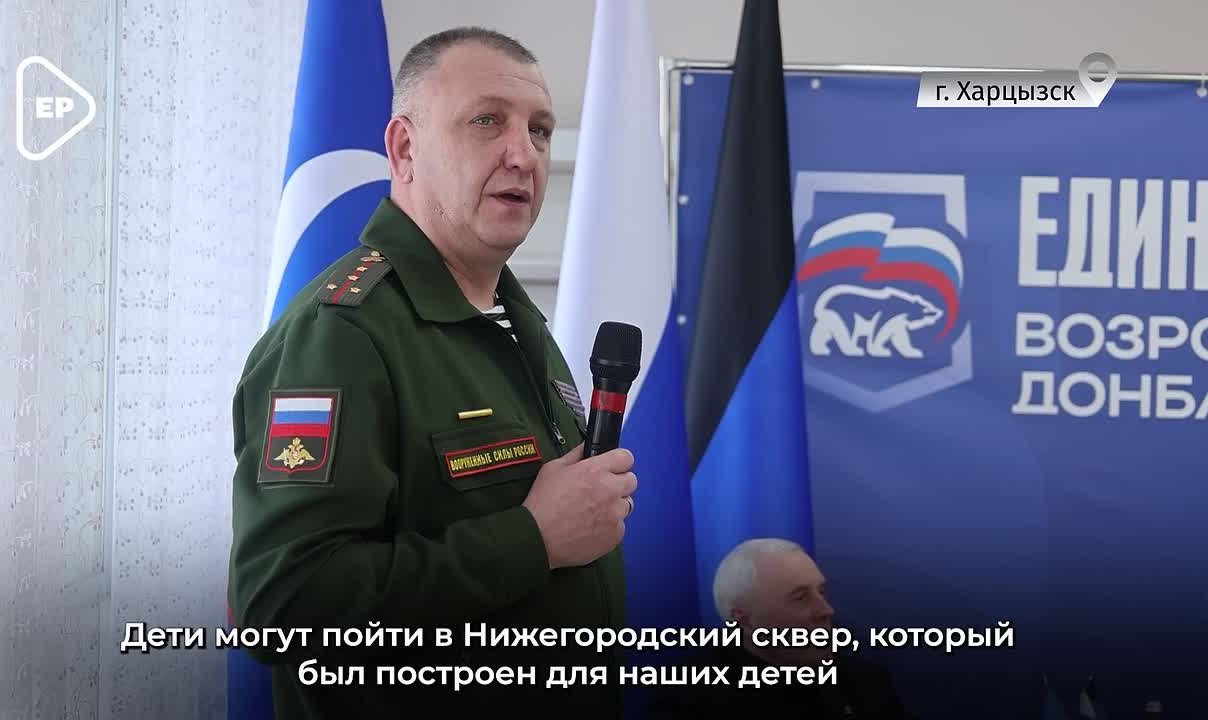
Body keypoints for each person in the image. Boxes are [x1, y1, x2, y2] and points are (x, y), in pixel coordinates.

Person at [227, 27, 636, 720]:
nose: (524, 154)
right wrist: (532, 539)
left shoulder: (517, 322)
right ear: (405, 149)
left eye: (539, 130)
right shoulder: (343, 334)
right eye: (487, 121)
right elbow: (285, 601)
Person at [649, 539, 915, 719]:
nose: (826, 610)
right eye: (800, 598)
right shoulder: (688, 698)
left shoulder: (867, 684)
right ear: (746, 620)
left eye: (822, 592)